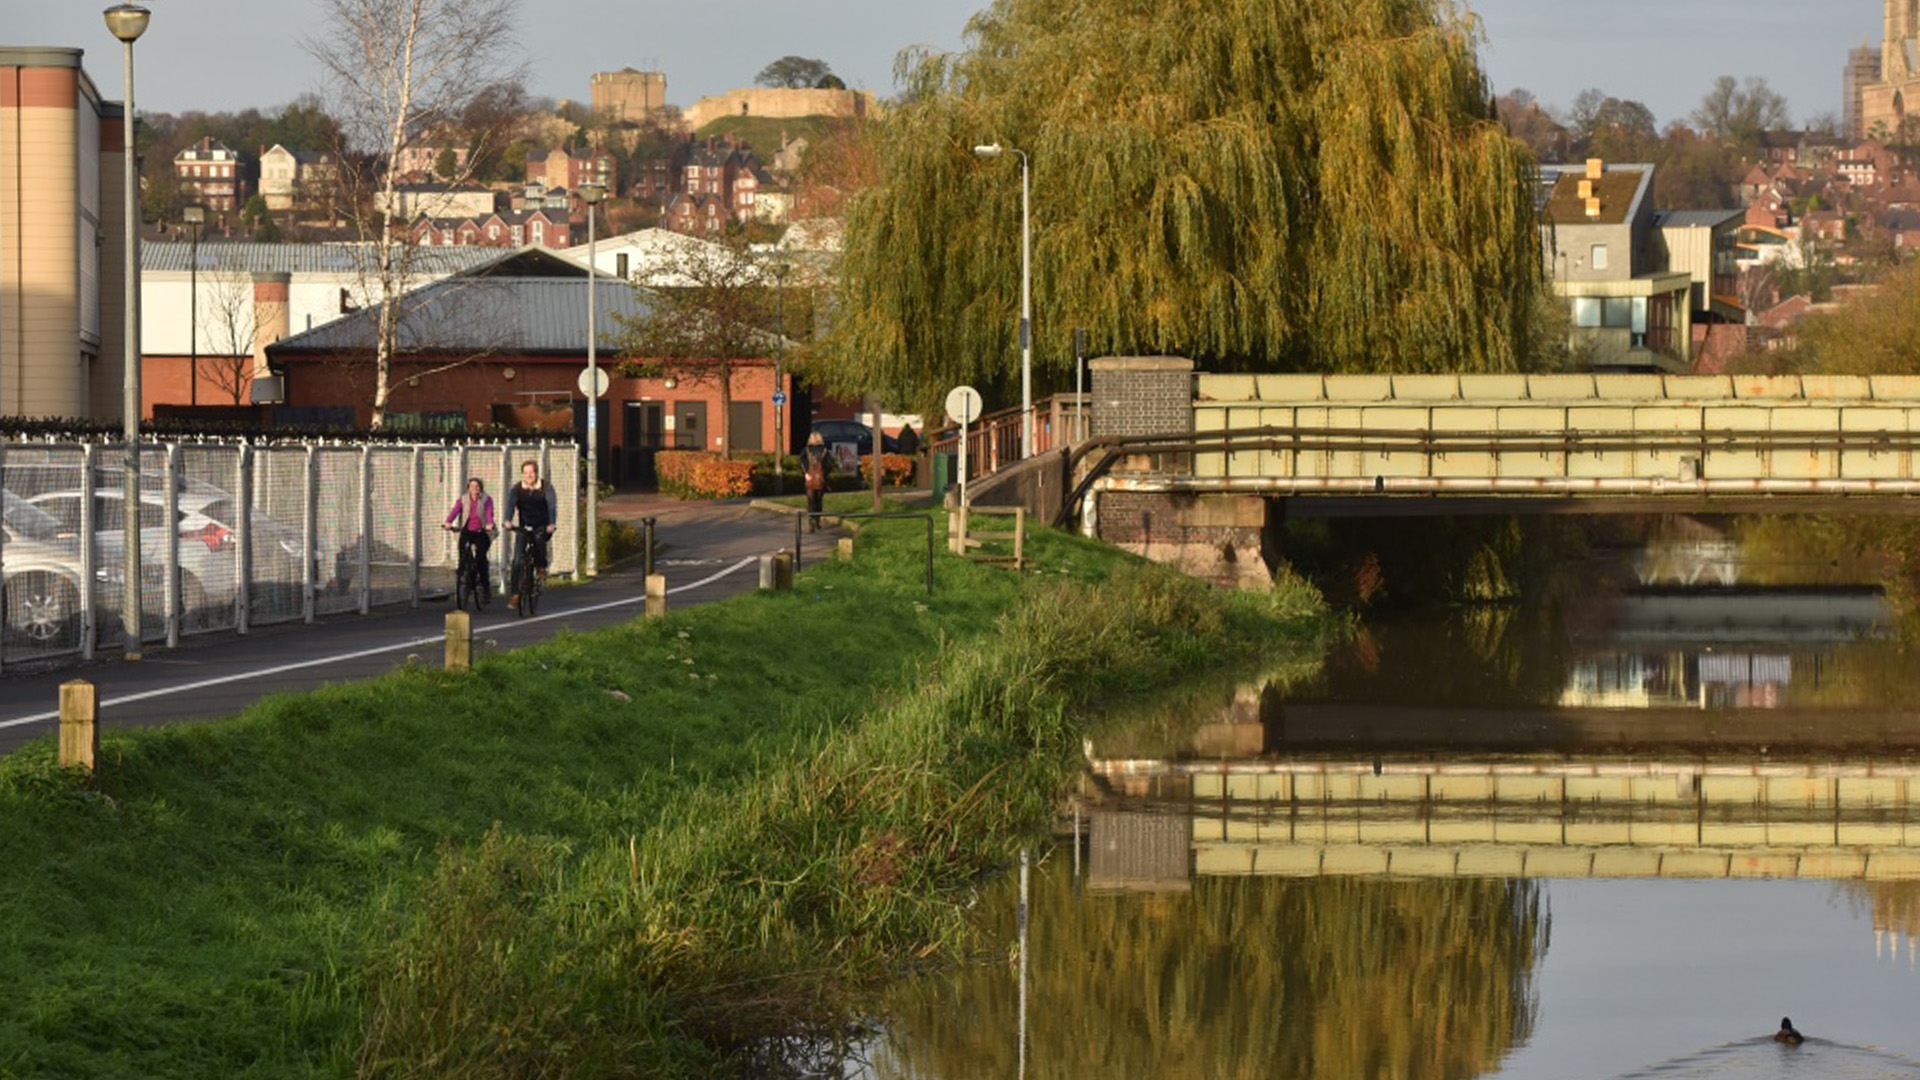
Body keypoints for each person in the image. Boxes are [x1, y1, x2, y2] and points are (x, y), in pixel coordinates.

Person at [501, 460, 558, 606]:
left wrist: (551, 523)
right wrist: (507, 520)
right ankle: (515, 593)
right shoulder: (517, 489)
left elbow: (551, 507)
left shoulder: (546, 487)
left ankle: (541, 567)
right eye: (526, 473)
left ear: (536, 473)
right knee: (517, 560)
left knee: (539, 543)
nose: (529, 476)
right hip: (524, 526)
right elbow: (510, 505)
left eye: (531, 472)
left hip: (541, 525)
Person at [442, 476, 496, 604]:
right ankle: (463, 579)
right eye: (471, 487)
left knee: (481, 557)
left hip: (482, 531)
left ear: (481, 488)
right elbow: (455, 511)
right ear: (468, 488)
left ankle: (485, 587)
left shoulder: (486, 500)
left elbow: (489, 514)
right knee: (463, 554)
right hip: (467, 531)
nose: (474, 489)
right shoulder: (463, 499)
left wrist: (489, 524)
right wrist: (448, 522)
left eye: (477, 487)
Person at [802, 431, 830, 532]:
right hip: (821, 479)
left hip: (809, 478)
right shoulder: (825, 450)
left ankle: (811, 521)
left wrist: (806, 472)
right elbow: (829, 465)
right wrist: (823, 474)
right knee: (818, 501)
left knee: (811, 501)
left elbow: (802, 462)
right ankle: (817, 520)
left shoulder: (806, 450)